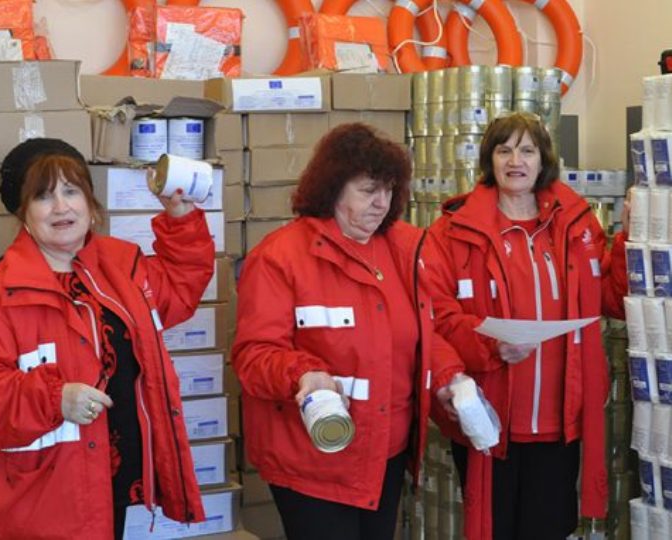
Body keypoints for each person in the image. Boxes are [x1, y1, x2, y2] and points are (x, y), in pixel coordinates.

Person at [0, 138, 215, 539]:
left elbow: (179, 288)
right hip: (46, 500)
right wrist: (54, 398)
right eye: (43, 196)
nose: (61, 207)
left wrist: (181, 218)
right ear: (23, 212)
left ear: (90, 202)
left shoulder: (122, 266)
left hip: (110, 481)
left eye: (71, 191)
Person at [231, 123, 465, 540]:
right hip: (314, 460)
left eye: (389, 190)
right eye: (368, 190)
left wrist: (449, 376)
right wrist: (302, 373)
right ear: (333, 187)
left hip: (386, 454)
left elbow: (422, 334)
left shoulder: (404, 251)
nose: (381, 203)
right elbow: (254, 354)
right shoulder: (280, 257)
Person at [424, 112, 628, 540]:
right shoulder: (452, 232)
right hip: (490, 420)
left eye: (527, 151)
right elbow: (435, 318)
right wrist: (491, 345)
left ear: (543, 160)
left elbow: (611, 299)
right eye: (504, 150)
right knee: (494, 529)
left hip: (558, 424)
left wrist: (628, 237)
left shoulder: (576, 224)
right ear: (490, 160)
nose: (515, 161)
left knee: (547, 529)